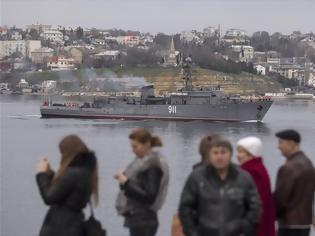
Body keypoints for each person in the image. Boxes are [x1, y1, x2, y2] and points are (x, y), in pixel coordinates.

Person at [179, 136, 261, 236]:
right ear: (209, 154)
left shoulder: (243, 178)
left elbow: (255, 207)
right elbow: (185, 208)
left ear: (230, 154)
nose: (219, 157)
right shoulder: (197, 178)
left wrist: (245, 229)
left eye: (223, 152)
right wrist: (192, 232)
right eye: (215, 152)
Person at [36, 135, 99, 236]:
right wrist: (50, 173)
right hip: (73, 225)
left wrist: (41, 174)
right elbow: (64, 191)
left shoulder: (73, 173)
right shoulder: (85, 172)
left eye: (62, 153)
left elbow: (49, 198)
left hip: (61, 227)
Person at [114, 128, 169, 236]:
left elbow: (150, 196)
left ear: (147, 144)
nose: (132, 150)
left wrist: (126, 182)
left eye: (135, 146)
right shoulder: (142, 164)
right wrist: (123, 180)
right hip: (139, 220)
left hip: (144, 221)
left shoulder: (152, 166)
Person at [274, 129, 315, 236]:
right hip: (305, 224)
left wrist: (268, 218)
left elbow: (280, 199)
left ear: (291, 143)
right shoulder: (308, 163)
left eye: (281, 142)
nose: (278, 147)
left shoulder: (288, 168)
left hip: (289, 225)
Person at [237, 136, 276, 236]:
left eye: (241, 152)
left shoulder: (252, 171)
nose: (237, 155)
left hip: (255, 228)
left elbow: (255, 203)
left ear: (251, 154)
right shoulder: (258, 168)